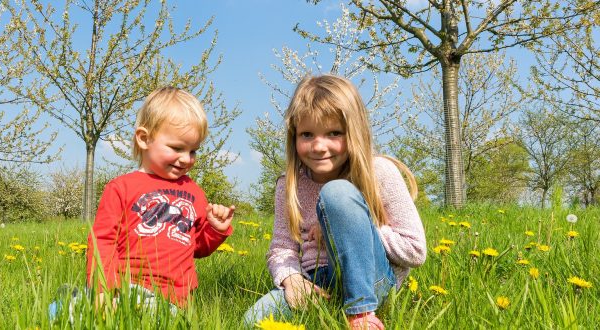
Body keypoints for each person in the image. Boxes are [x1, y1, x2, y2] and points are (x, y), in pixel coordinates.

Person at [243, 75, 426, 329]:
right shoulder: (288, 184)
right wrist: (292, 278)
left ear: (354, 133)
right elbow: (281, 248)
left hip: (373, 280)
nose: (319, 146)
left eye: (334, 133)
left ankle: (361, 314)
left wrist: (346, 228)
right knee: (254, 321)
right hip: (315, 282)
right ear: (293, 136)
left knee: (337, 193)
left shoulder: (380, 172)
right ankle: (330, 306)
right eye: (307, 134)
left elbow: (415, 250)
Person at [86, 86, 235, 310]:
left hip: (176, 299)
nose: (186, 159)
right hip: (126, 289)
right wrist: (103, 289)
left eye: (193, 151)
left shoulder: (193, 192)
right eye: (177, 148)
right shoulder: (121, 188)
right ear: (144, 139)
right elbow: (102, 242)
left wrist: (215, 229)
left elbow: (198, 248)